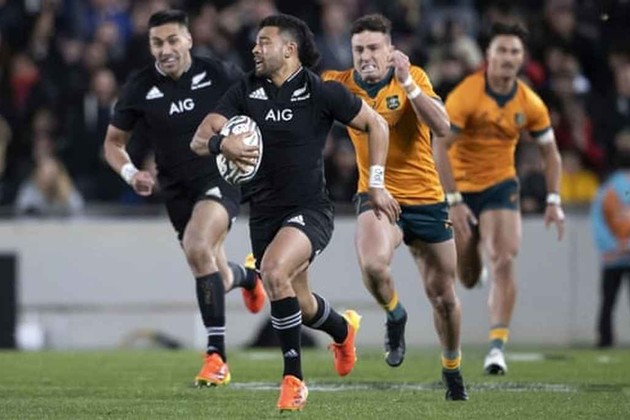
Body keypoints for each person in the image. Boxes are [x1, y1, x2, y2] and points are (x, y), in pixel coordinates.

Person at [191, 14, 400, 411]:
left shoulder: (321, 92)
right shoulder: (245, 90)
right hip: (264, 214)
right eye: (256, 42)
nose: (255, 49)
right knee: (298, 301)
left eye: (264, 42)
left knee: (272, 270)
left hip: (310, 210)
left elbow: (378, 126)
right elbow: (200, 139)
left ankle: (294, 381)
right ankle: (342, 330)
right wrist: (222, 144)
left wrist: (375, 183)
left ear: (289, 49)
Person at [103, 9, 266, 387]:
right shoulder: (140, 86)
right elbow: (113, 143)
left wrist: (248, 144)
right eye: (157, 43)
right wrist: (131, 174)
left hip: (219, 178)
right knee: (213, 270)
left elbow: (258, 105)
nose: (165, 49)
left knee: (197, 244)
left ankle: (216, 357)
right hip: (175, 191)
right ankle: (247, 277)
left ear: (189, 40)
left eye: (173, 40)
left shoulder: (219, 73)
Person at [322, 13, 468, 401]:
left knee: (444, 297)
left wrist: (408, 84)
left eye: (373, 48)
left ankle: (451, 367)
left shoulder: (413, 76)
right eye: (358, 49)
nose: (365, 56)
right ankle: (395, 313)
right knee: (372, 264)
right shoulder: (339, 83)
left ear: (390, 51)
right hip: (378, 196)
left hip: (427, 199)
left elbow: (442, 127)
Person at [433, 22, 565, 375]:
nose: (508, 57)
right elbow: (440, 146)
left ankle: (496, 348)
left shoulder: (529, 102)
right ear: (488, 56)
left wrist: (554, 199)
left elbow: (551, 152)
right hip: (460, 188)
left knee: (504, 257)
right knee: (467, 275)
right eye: (502, 50)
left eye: (515, 51)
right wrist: (454, 199)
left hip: (501, 185)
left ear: (522, 58)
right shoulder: (466, 95)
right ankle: (476, 265)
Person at [591, 129, 630, 348]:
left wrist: (613, 245)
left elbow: (598, 223)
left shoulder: (606, 190)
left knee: (608, 300)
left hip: (612, 255)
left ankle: (604, 339)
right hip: (622, 252)